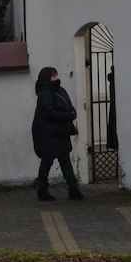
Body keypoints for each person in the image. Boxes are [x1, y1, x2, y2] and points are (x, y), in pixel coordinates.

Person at [31, 66, 84, 202]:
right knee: (48, 160)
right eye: (53, 76)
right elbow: (49, 113)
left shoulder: (59, 91)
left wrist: (71, 112)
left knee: (64, 160)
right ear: (47, 79)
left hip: (60, 132)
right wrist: (68, 115)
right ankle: (42, 189)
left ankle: (73, 188)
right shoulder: (45, 94)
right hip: (47, 133)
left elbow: (67, 105)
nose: (57, 78)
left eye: (56, 75)